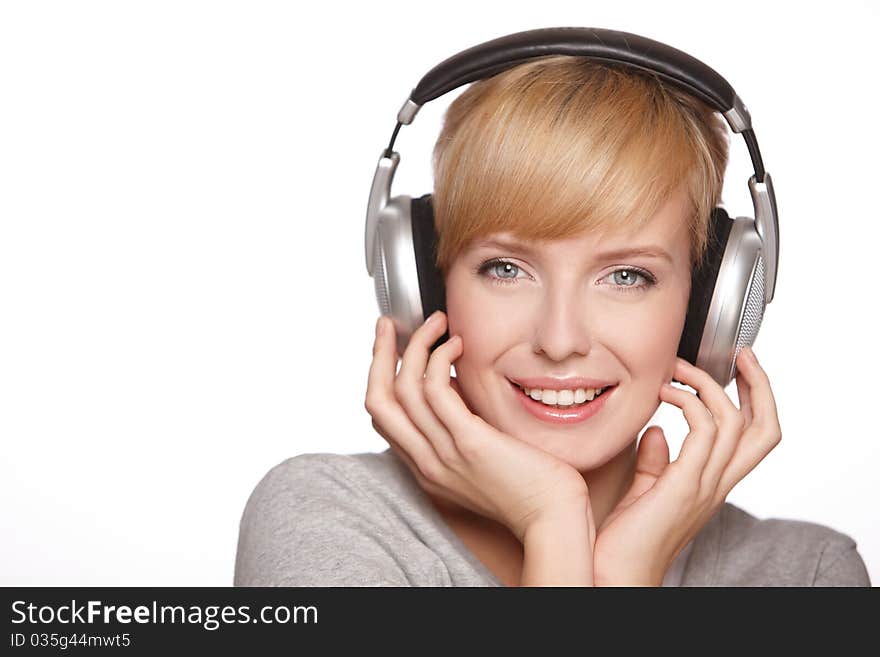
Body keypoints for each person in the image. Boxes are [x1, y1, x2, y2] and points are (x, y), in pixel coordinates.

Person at [234, 53, 870, 587]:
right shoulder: (322, 515)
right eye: (506, 269)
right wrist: (552, 521)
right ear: (425, 289)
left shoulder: (805, 575)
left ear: (709, 305)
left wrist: (624, 573)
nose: (560, 341)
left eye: (627, 276)